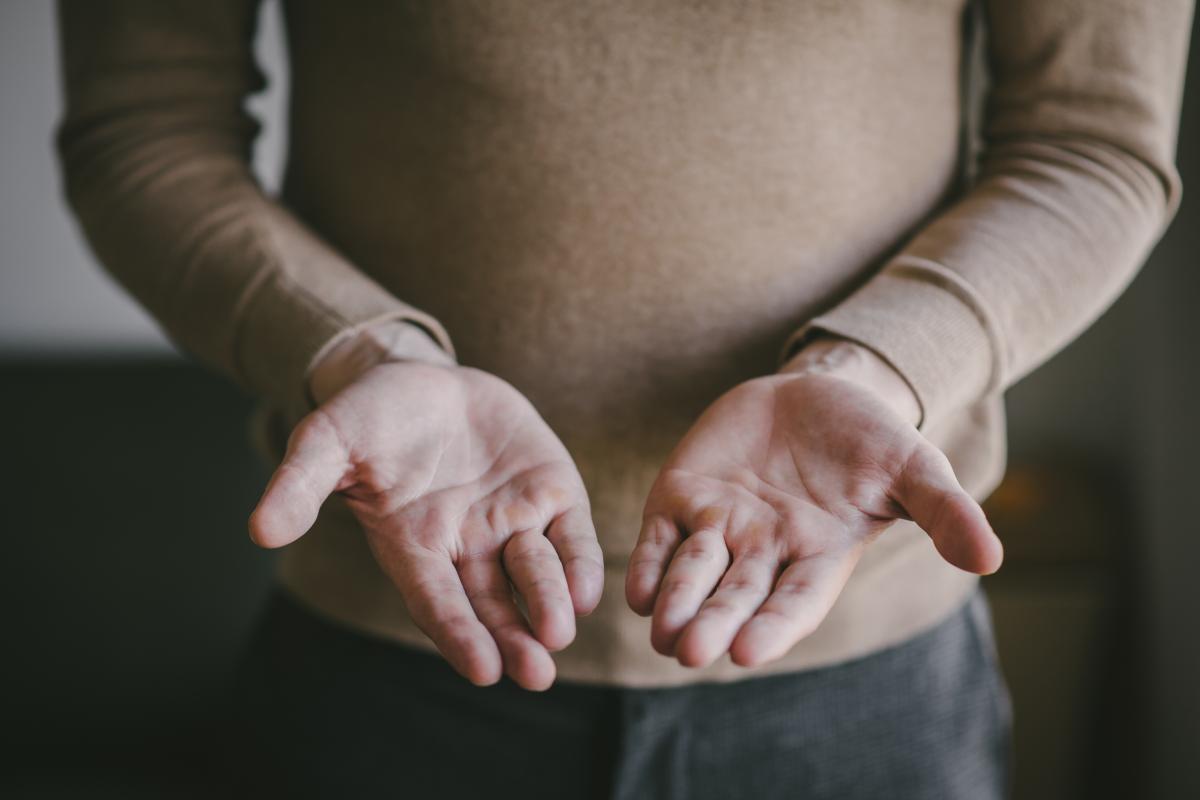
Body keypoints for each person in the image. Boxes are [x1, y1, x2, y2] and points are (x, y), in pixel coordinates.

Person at [54, 1, 1192, 797]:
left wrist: (876, 366)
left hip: (862, 675)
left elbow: (1089, 141)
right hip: (394, 646)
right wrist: (359, 353)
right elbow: (143, 128)